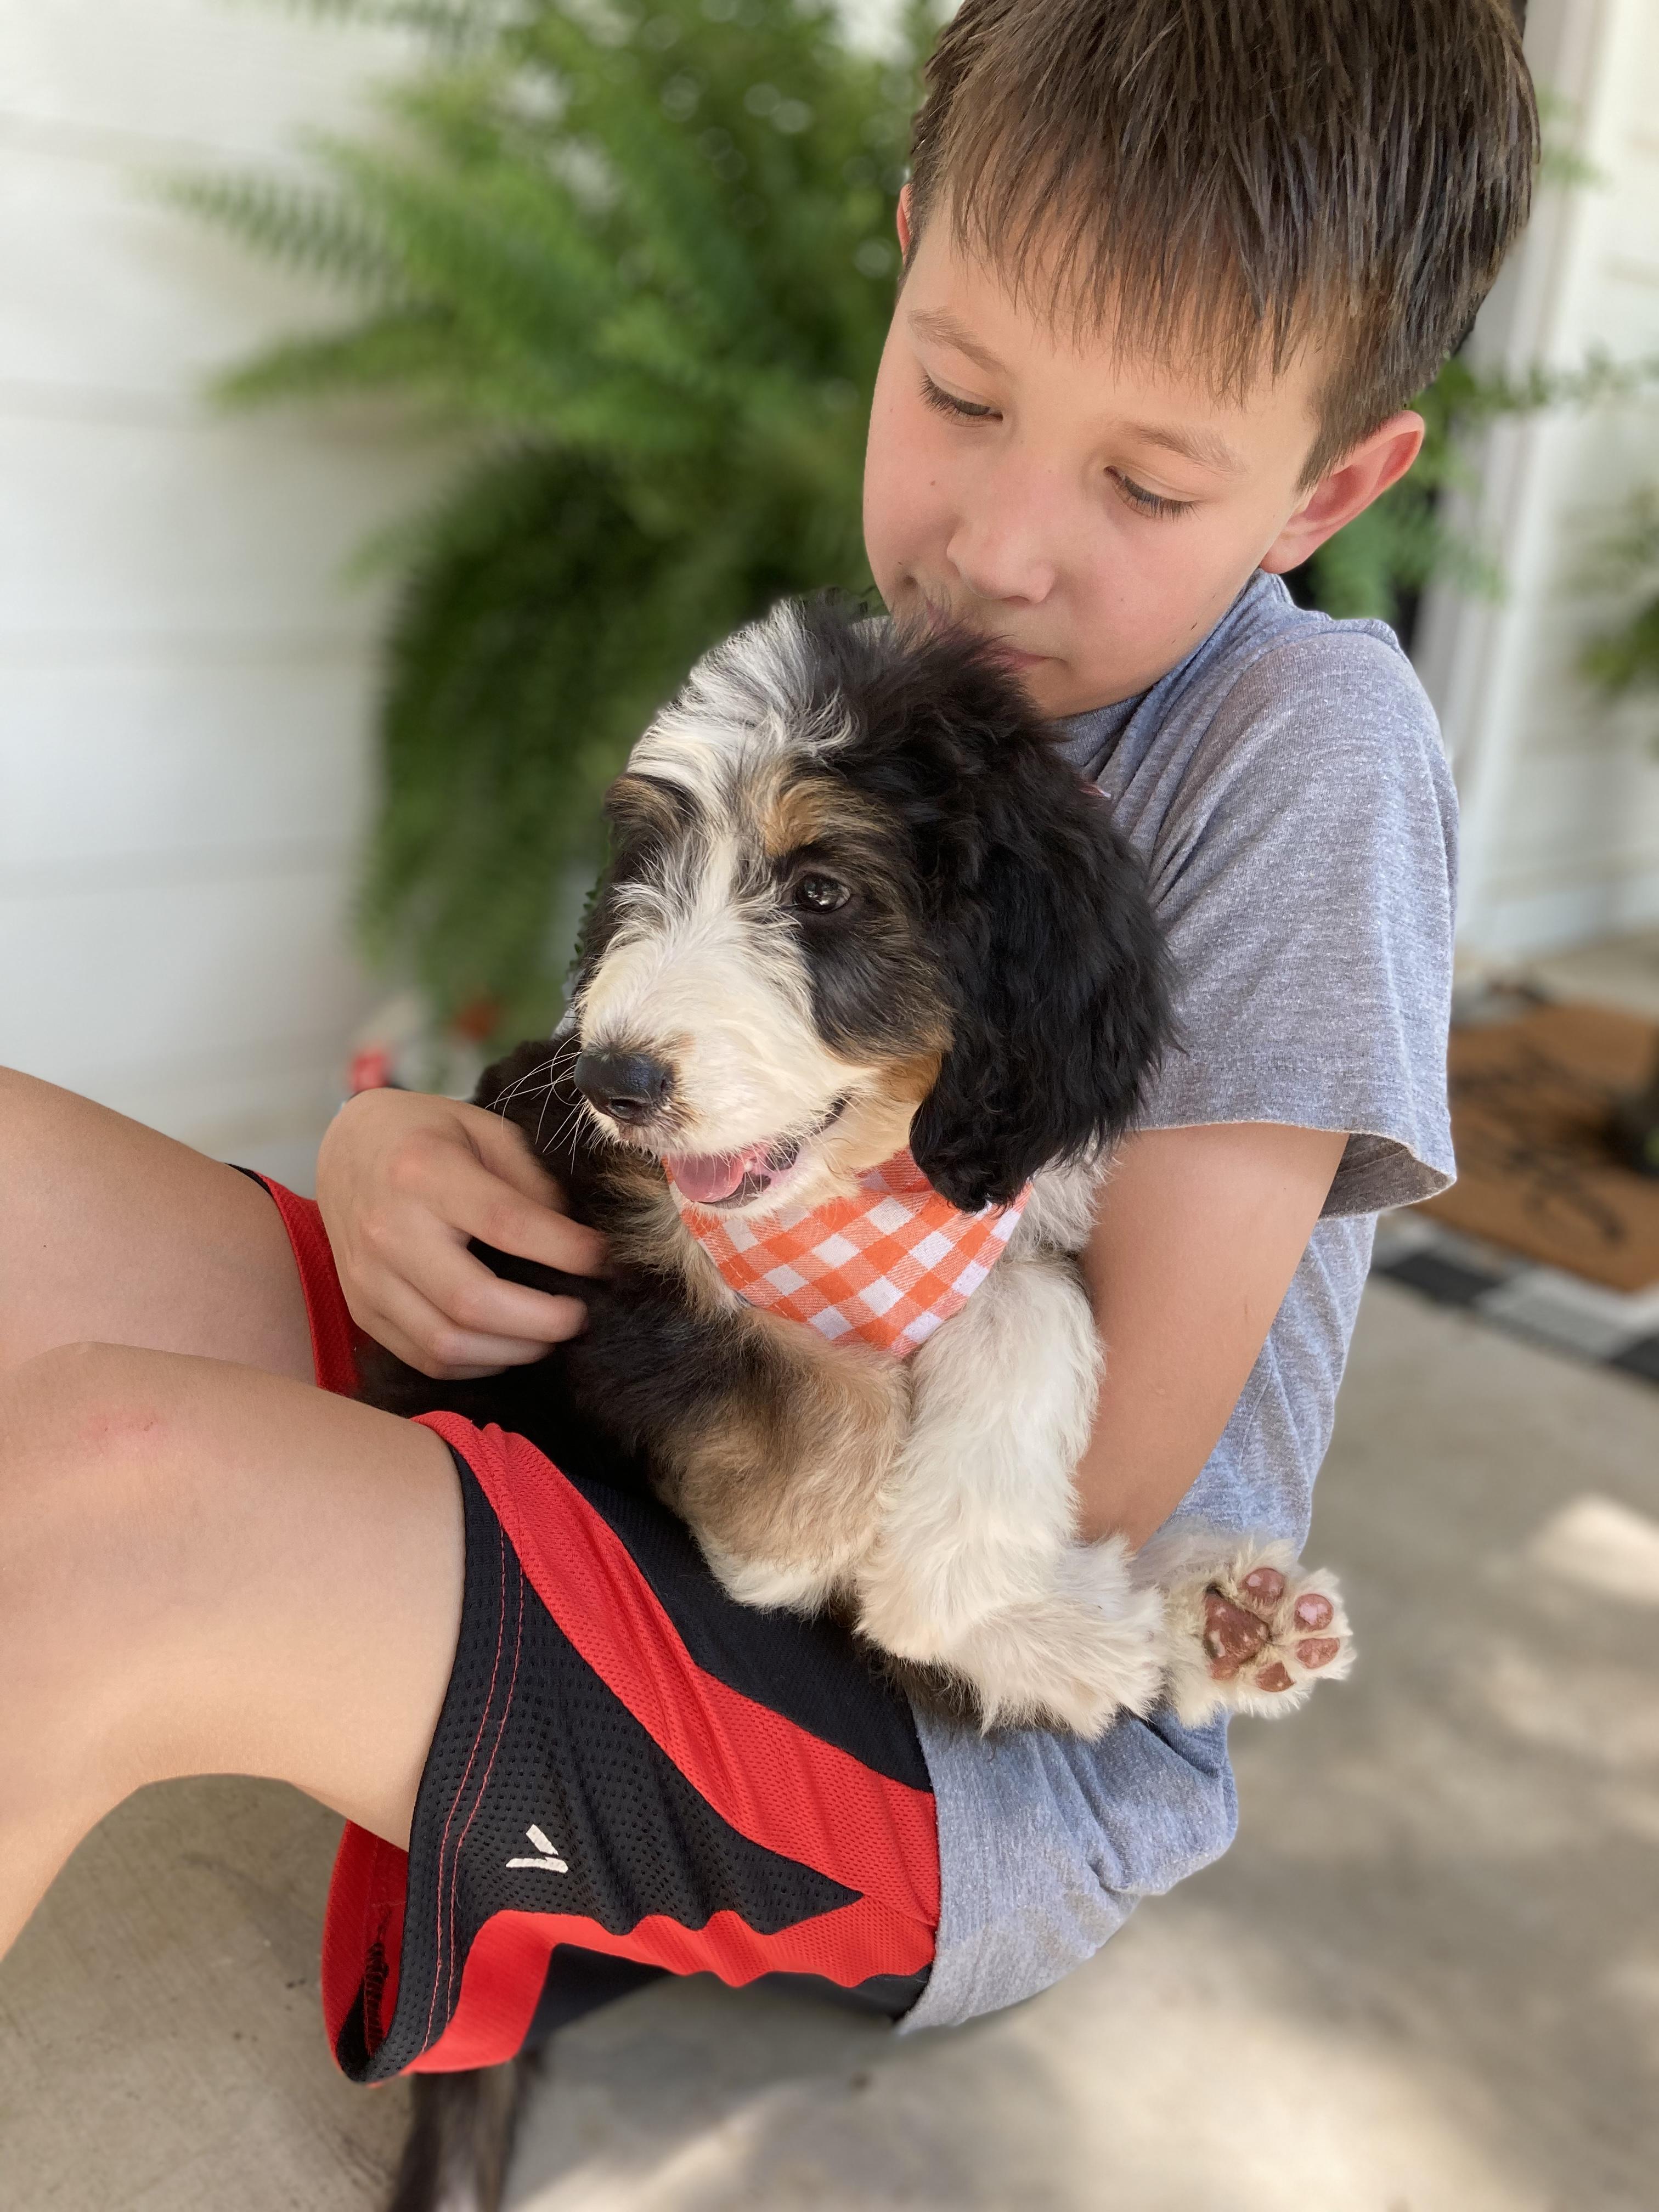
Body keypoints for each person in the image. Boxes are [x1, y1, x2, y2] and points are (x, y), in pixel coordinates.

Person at [0, 0, 1531, 2085]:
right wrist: (404, 1162)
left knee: (124, 1503)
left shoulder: (1304, 747)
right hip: (633, 1404)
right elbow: (642, 1087)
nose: (998, 546)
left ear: (1330, 487)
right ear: (904, 259)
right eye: (961, 392)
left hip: (947, 1719)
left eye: (1146, 480)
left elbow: (1098, 1473)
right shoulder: (864, 676)